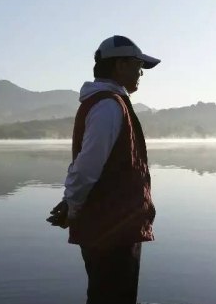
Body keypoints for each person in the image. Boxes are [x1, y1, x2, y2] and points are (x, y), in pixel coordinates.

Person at [48, 35, 160, 304]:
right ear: (120, 65)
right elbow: (86, 167)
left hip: (114, 226)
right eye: (137, 65)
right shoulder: (108, 105)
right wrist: (73, 206)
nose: (140, 72)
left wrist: (70, 203)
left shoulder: (108, 103)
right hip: (112, 229)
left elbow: (88, 167)